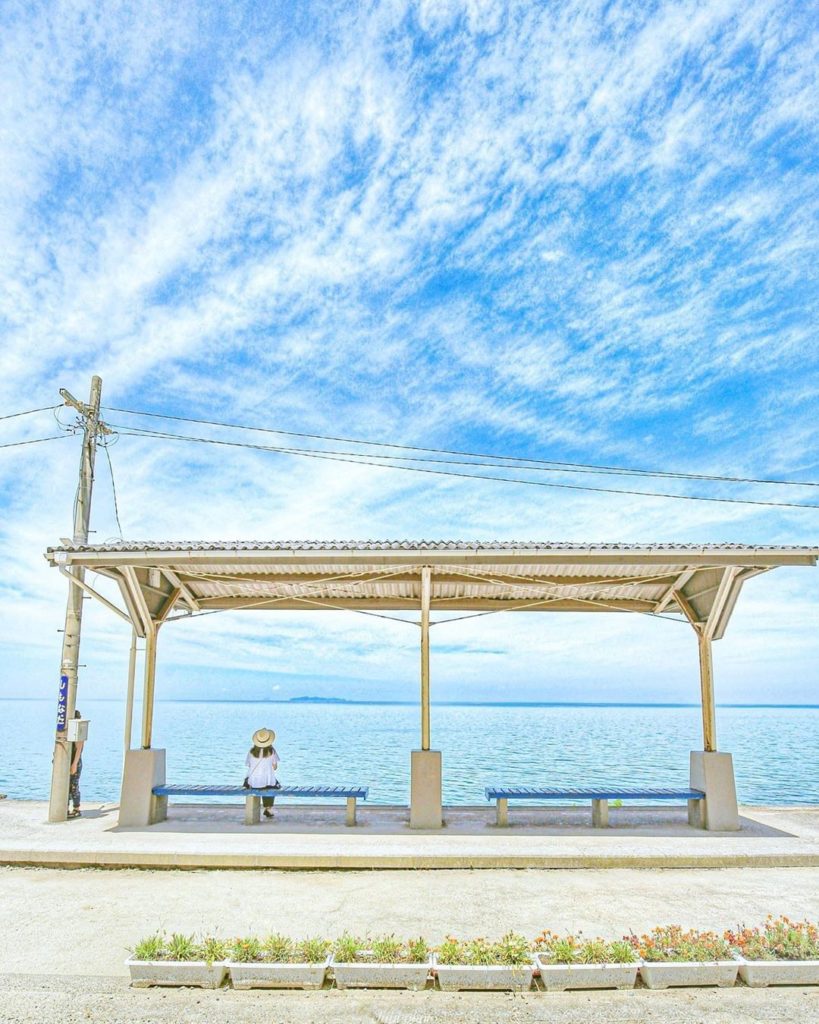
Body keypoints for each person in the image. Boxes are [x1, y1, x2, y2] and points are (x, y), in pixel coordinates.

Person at [245, 728, 280, 819]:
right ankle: (268, 808)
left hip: (253, 782)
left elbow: (249, 765)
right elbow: (275, 767)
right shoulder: (271, 751)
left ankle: (265, 808)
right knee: (271, 785)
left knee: (265, 783)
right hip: (267, 782)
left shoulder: (251, 751)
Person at [68, 710, 84, 819]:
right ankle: (67, 807)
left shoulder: (78, 732)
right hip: (69, 761)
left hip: (75, 762)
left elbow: (79, 750)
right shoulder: (70, 731)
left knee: (74, 785)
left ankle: (76, 808)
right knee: (68, 785)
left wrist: (74, 764)